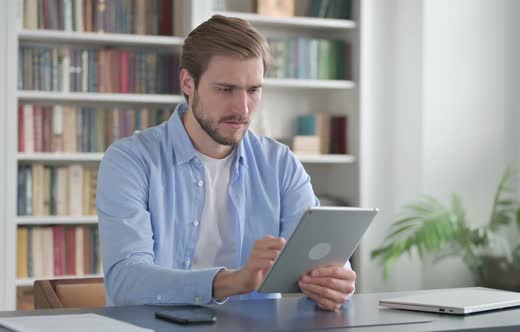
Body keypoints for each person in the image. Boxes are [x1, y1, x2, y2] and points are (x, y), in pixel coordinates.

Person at [96, 15, 355, 311]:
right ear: (187, 83)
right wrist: (233, 281)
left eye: (253, 90)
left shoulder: (280, 163)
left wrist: (335, 282)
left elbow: (325, 259)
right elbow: (126, 280)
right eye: (225, 89)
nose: (242, 108)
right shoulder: (130, 160)